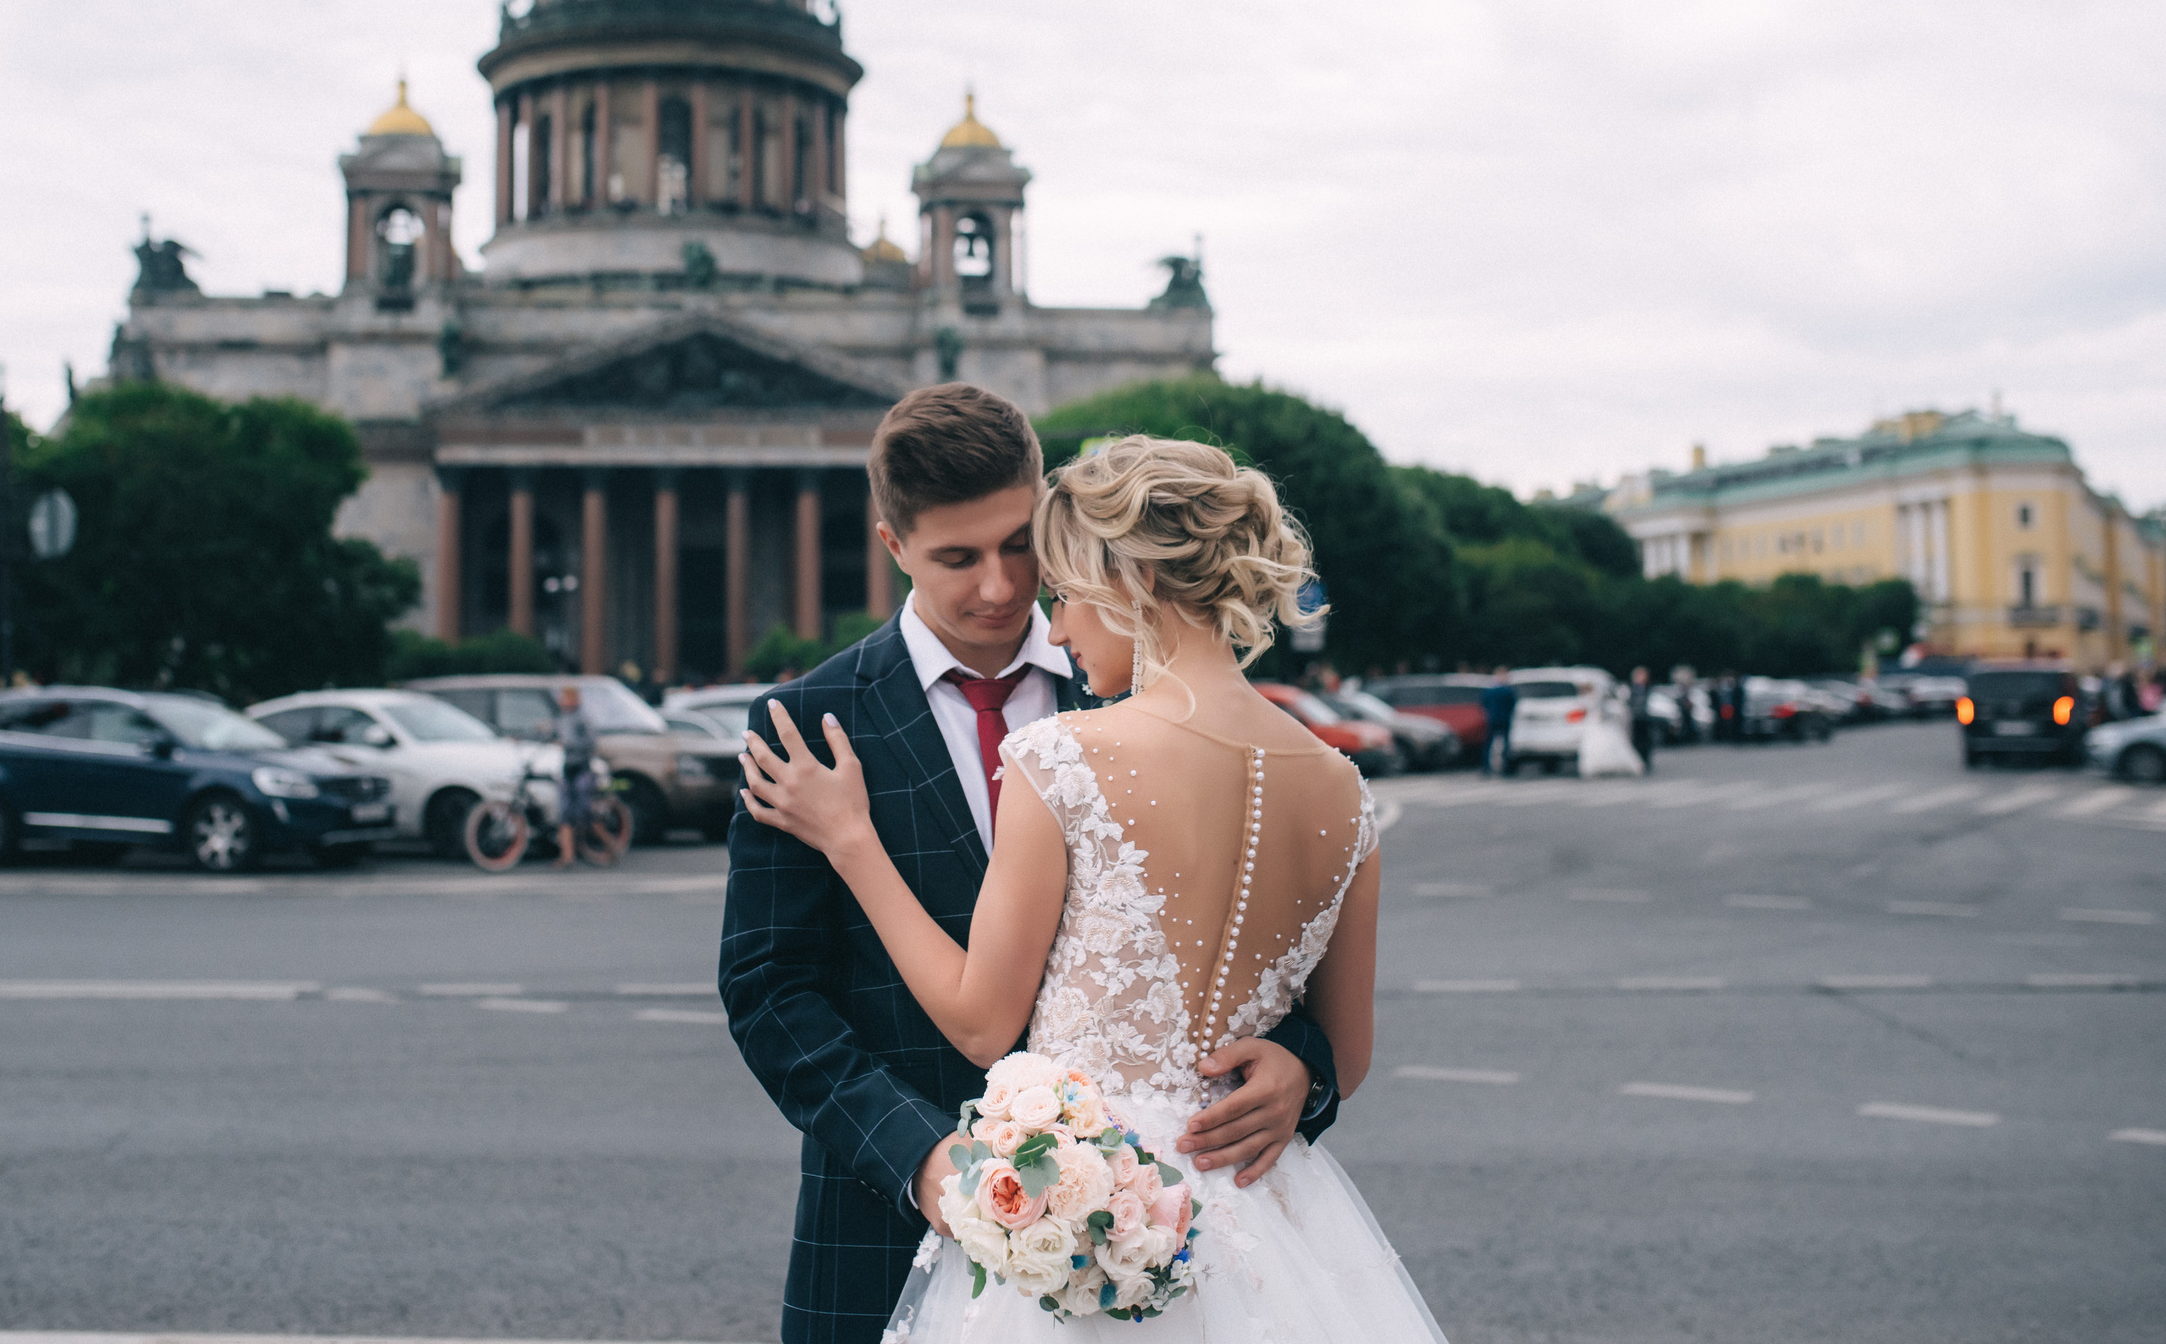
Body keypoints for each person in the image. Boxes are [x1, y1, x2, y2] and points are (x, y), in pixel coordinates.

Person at [741, 433, 1444, 1342]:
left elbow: (986, 1020)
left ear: (1136, 582)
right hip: (1269, 1241)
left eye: (1062, 591)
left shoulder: (1063, 754)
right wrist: (1311, 1060)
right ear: (894, 543)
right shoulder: (1343, 790)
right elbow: (1349, 1052)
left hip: (1077, 1240)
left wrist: (850, 840)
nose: (1055, 623)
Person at [552, 685, 597, 869]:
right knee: (565, 813)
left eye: (567, 698)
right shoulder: (562, 718)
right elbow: (553, 735)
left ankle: (606, 843)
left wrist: (570, 744)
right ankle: (567, 855)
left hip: (581, 767)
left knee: (583, 811)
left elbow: (591, 742)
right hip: (567, 767)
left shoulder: (582, 718)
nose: (563, 701)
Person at [1479, 665, 1517, 777]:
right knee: (1505, 744)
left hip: (1492, 718)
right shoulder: (1507, 691)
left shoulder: (1490, 691)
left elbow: (1484, 703)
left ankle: (1485, 768)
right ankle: (1506, 768)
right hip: (1504, 719)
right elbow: (1513, 704)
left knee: (1488, 744)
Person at [1628, 665, 1656, 773]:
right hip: (1636, 719)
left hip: (1646, 718)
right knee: (1637, 741)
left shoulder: (1649, 688)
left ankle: (1646, 760)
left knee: (1646, 741)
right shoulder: (1632, 688)